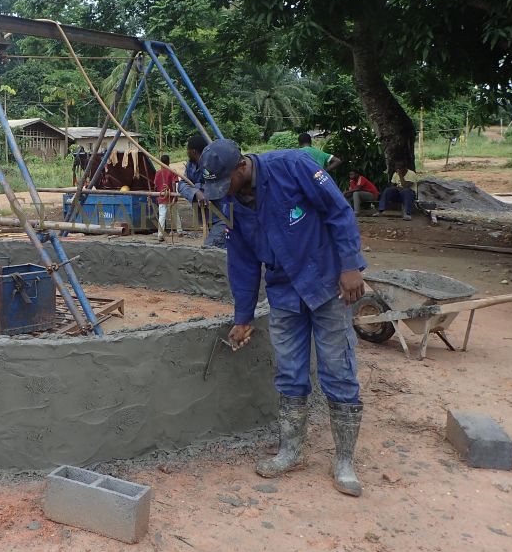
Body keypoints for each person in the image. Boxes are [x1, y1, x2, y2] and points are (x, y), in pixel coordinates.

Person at [199, 138, 367, 497]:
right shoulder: (231, 203)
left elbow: (339, 212)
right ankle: (291, 451)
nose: (222, 192)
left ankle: (344, 461)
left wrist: (351, 265)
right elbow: (242, 262)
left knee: (337, 369)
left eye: (225, 183)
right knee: (290, 372)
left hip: (327, 283)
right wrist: (243, 316)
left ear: (241, 167)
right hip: (284, 292)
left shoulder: (293, 167)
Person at [176, 135, 228, 248]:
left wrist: (197, 188)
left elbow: (216, 186)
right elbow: (182, 184)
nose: (186, 152)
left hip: (222, 217)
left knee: (210, 249)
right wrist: (196, 192)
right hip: (209, 218)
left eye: (187, 149)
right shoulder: (191, 165)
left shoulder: (214, 164)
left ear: (193, 151)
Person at [153, 154, 180, 242]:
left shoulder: (158, 173)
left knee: (162, 215)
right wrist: (174, 195)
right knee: (175, 213)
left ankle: (160, 235)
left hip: (161, 197)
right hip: (170, 196)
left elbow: (155, 186)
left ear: (161, 162)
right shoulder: (172, 171)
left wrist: (157, 194)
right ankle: (179, 231)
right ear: (169, 162)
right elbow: (173, 183)